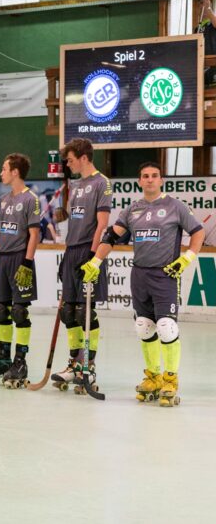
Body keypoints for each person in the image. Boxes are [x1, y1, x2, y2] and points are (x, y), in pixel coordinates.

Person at [81, 162, 204, 407]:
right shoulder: (132, 209)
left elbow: (198, 232)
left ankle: (171, 380)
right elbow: (111, 236)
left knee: (167, 327)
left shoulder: (175, 206)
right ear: (139, 181)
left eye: (154, 176)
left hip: (165, 275)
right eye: (145, 176)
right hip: (139, 275)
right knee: (144, 327)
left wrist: (187, 258)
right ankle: (153, 377)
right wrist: (95, 261)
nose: (149, 179)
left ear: (161, 180)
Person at [51, 138, 111, 389]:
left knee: (85, 312)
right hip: (72, 251)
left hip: (88, 251)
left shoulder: (101, 183)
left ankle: (89, 365)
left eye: (70, 160)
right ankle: (74, 364)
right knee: (69, 312)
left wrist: (93, 257)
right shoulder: (76, 185)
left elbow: (102, 224)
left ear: (84, 158)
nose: (68, 164)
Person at [0, 154, 40, 388]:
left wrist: (27, 263)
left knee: (19, 311)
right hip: (3, 259)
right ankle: (4, 359)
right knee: (1, 310)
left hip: (19, 258)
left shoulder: (31, 199)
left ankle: (20, 362)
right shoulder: (4, 200)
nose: (1, 173)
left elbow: (34, 235)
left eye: (4, 169)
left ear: (15, 172)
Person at [198, 0, 216, 85]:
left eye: (204, 5)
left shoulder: (213, 23)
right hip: (202, 64)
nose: (202, 8)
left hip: (213, 63)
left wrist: (208, 8)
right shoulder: (198, 28)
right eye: (201, 5)